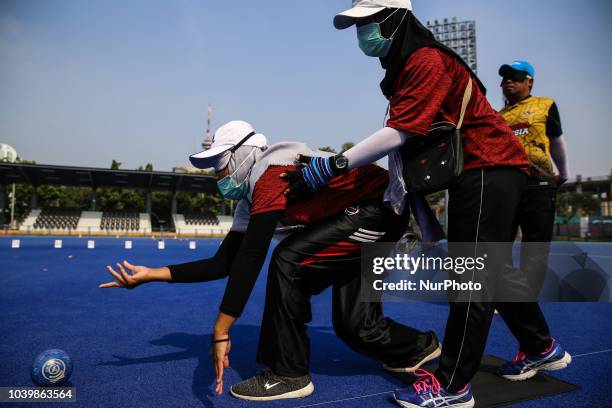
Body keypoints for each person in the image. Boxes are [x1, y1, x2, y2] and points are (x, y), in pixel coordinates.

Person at [282, 1, 571, 407]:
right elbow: (409, 154)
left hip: (489, 164)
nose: (362, 32)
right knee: (492, 267)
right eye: (358, 24)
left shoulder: (427, 59)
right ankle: (541, 346)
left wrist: (334, 164)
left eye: (368, 22)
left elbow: (399, 133)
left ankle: (454, 387)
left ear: (396, 18)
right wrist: (425, 222)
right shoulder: (407, 70)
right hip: (485, 169)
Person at [100, 120, 441, 402]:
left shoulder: (269, 172)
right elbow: (224, 262)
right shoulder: (251, 199)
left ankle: (288, 372)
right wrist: (151, 274)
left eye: (219, 166)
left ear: (242, 155)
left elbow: (252, 257)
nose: (217, 178)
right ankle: (416, 349)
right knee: (355, 325)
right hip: (365, 217)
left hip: (379, 209)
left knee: (287, 260)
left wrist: (221, 331)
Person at [499, 59, 570, 294]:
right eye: (505, 77)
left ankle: (526, 298)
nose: (508, 80)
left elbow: (557, 141)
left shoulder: (545, 105)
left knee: (535, 245)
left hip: (538, 184)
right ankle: (504, 293)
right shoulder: (497, 116)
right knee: (500, 242)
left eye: (516, 76)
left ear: (529, 81)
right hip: (506, 185)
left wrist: (564, 172)